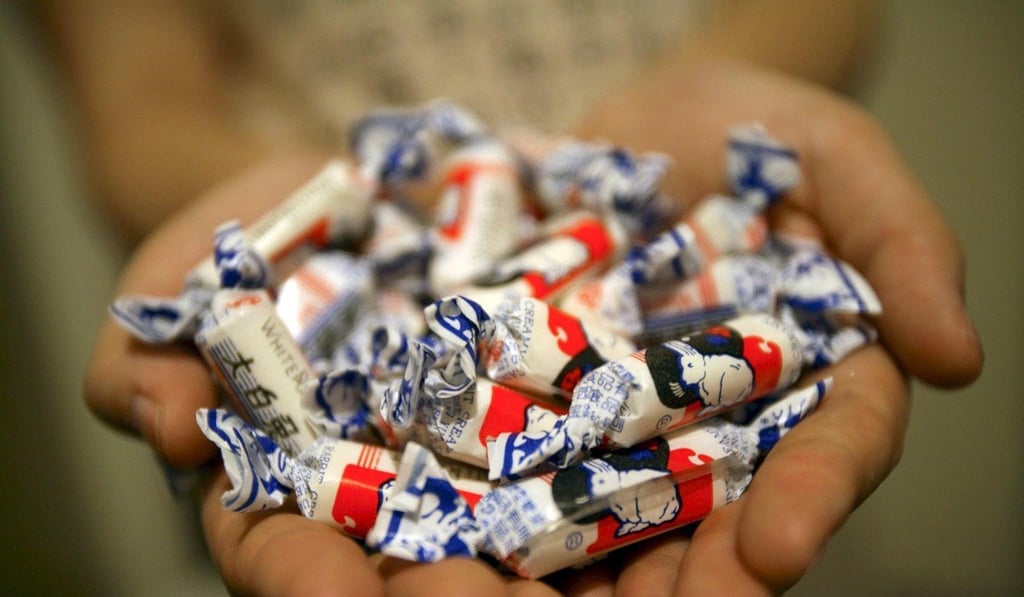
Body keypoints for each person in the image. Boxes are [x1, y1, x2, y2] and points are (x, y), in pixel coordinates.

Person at [37, 0, 984, 594]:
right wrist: (326, 210)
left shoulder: (662, 288)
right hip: (342, 218)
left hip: (718, 477)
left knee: (763, 536)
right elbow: (141, 99)